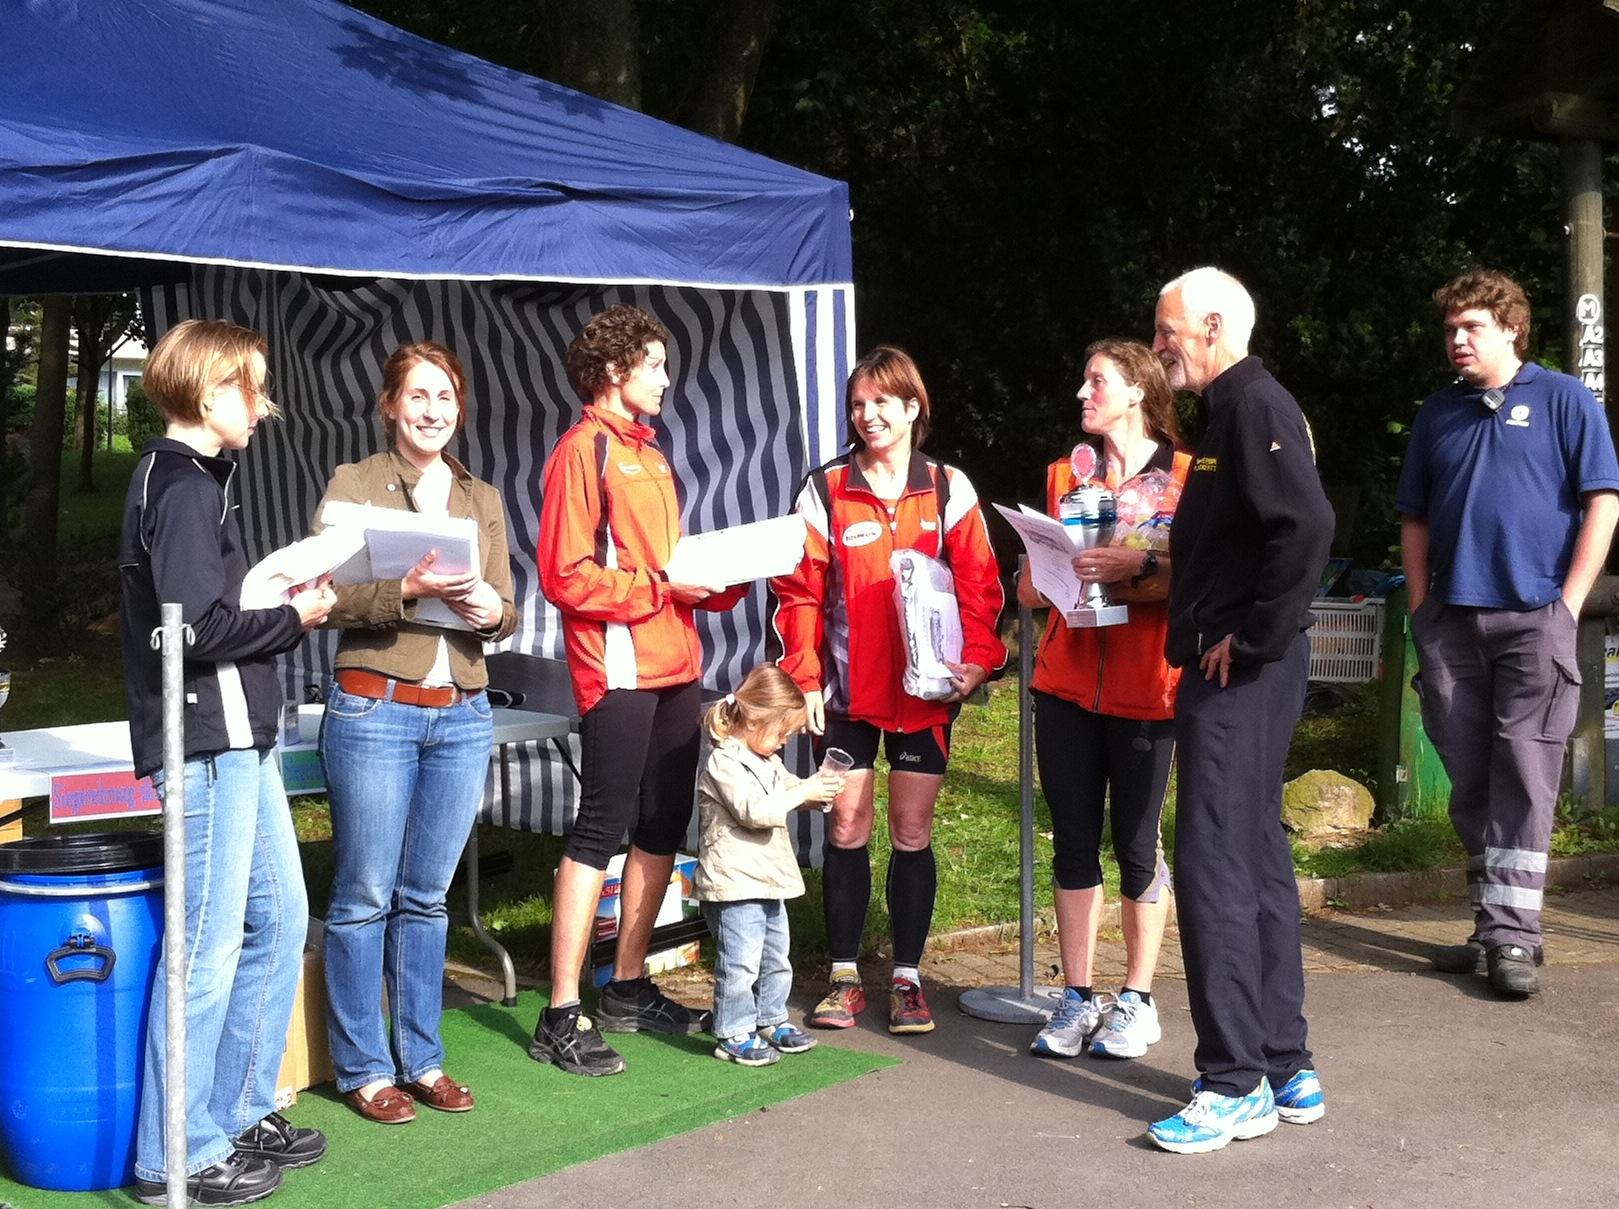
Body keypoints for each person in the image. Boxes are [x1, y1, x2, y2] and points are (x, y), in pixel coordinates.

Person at [119, 320, 333, 1205]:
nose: (266, 405)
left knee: (280, 923)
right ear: (209, 395)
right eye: (253, 388)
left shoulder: (197, 481)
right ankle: (174, 1152)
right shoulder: (178, 486)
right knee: (203, 954)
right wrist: (295, 618)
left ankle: (240, 1107)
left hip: (240, 740)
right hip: (202, 744)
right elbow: (193, 627)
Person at [1145, 267, 1335, 1154]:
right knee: (1255, 855)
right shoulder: (1233, 413)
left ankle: (1234, 1082)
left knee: (1215, 859)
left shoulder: (1253, 404)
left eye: (1166, 329)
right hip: (1242, 669)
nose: (1158, 345)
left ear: (1212, 324)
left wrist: (1254, 637)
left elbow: (1306, 528)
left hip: (1242, 674)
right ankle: (1283, 1060)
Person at [530, 304, 745, 1077]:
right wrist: (663, 585)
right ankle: (559, 1010)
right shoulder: (581, 450)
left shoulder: (650, 453)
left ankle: (625, 983)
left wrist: (712, 583)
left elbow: (668, 562)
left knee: (663, 822)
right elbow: (565, 576)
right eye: (652, 364)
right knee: (601, 828)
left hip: (675, 662)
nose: (664, 377)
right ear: (615, 371)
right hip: (618, 667)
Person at [1397, 270, 1619, 998]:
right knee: (1471, 778)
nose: (1456, 341)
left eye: (1471, 328)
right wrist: (1423, 611)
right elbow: (1416, 520)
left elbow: (1602, 503)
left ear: (1510, 329)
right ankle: (1492, 922)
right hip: (1450, 625)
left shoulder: (1563, 399)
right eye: (1450, 329)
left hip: (1533, 621)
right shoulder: (1437, 413)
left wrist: (1566, 605)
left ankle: (1513, 939)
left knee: (1524, 776)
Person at [771, 344, 1005, 1035]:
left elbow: (980, 587)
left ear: (912, 407)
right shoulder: (824, 488)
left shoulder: (947, 486)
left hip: (925, 693)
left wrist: (979, 660)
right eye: (857, 403)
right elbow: (797, 592)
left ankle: (906, 979)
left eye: (882, 402)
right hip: (844, 695)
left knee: (909, 828)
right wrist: (803, 675)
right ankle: (842, 975)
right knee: (846, 824)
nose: (867, 415)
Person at [315, 341, 517, 1123]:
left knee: (427, 897)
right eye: (418, 396)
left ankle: (423, 1058)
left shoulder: (483, 496)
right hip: (374, 706)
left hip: (462, 711)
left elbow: (507, 604)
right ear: (390, 404)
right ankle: (364, 1067)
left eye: (446, 397)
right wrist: (405, 589)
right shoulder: (353, 482)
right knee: (364, 894)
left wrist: (488, 612)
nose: (434, 410)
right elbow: (322, 592)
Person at [1017, 340, 1190, 1061]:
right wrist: (1048, 569)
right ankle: (1076, 997)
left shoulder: (1185, 475)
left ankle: (1138, 998)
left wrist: (1135, 568)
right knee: (1073, 841)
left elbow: (1202, 575)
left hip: (1148, 686)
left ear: (1137, 390)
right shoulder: (1065, 472)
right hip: (1063, 683)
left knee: (1137, 844)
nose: (1082, 393)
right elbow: (1026, 590)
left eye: (1096, 381)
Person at [694, 663, 846, 1065]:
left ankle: (771, 1017)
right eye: (782, 733)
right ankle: (733, 1031)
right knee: (740, 962)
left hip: (769, 879)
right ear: (757, 718)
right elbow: (755, 810)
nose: (784, 743)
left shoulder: (767, 761)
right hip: (734, 883)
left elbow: (789, 788)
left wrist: (819, 791)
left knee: (777, 956)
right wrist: (803, 793)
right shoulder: (723, 761)